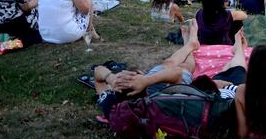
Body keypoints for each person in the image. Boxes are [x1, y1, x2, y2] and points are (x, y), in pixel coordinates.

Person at [95, 22, 248, 121]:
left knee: (168, 63)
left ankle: (190, 44)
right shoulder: (156, 99)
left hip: (152, 80)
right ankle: (190, 45)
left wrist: (112, 78)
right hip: (167, 83)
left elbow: (97, 72)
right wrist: (146, 81)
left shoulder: (111, 103)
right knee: (182, 68)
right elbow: (177, 74)